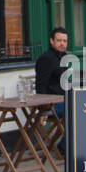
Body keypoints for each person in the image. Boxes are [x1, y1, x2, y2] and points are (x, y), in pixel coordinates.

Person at [35, 26, 68, 155]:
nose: (62, 44)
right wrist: (43, 109)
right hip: (52, 104)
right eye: (59, 40)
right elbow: (40, 86)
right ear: (52, 41)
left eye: (65, 41)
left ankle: (65, 146)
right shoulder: (46, 58)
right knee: (76, 111)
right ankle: (64, 147)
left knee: (84, 107)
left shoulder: (64, 57)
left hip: (64, 101)